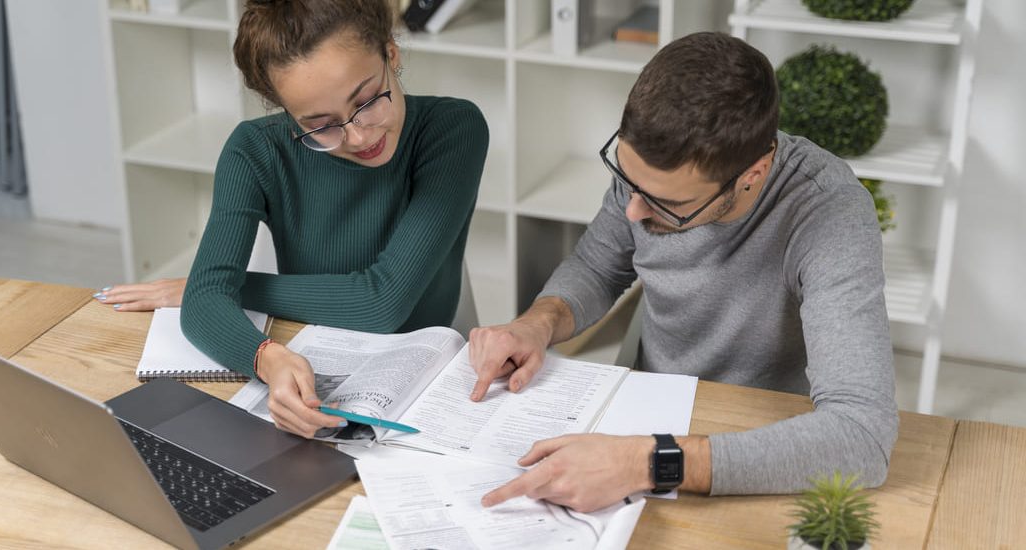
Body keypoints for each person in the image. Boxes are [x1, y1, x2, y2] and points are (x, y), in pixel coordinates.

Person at [468, 32, 898, 513]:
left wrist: (650, 462)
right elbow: (597, 265)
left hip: (761, 446)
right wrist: (538, 323)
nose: (633, 211)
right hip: (646, 417)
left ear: (752, 176)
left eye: (666, 203)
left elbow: (862, 435)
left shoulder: (829, 212)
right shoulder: (651, 172)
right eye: (627, 181)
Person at [94, 0, 488, 439]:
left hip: (426, 378)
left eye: (367, 101)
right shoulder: (254, 150)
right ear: (284, 109)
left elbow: (382, 304)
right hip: (313, 355)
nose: (359, 136)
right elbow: (205, 304)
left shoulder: (453, 128)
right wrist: (267, 357)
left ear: (390, 54)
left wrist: (227, 286)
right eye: (321, 126)